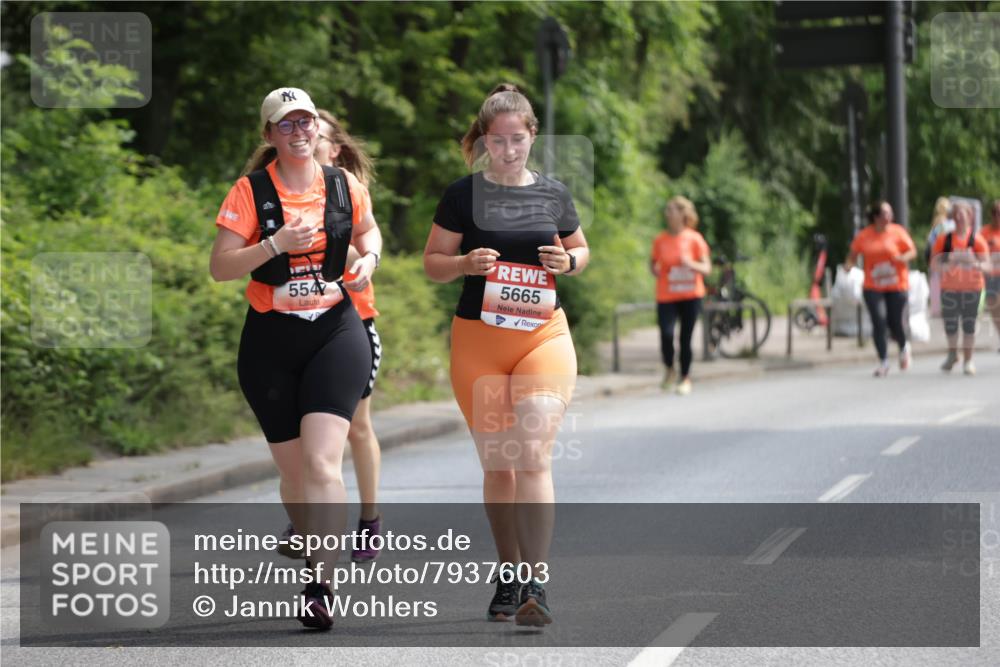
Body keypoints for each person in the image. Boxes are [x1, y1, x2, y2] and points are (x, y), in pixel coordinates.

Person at [210, 87, 382, 630]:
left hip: (336, 330)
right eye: (286, 124)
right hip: (270, 342)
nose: (300, 131)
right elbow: (221, 267)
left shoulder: (343, 184)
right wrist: (275, 244)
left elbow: (368, 231)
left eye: (306, 122)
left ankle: (321, 584)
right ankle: (312, 550)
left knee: (322, 463)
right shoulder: (249, 192)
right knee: (293, 475)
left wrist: (369, 259)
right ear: (270, 136)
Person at [423, 83, 589, 627]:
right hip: (479, 342)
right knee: (499, 468)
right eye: (498, 141)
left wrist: (569, 263)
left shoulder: (553, 193)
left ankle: (536, 584)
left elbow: (581, 247)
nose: (509, 150)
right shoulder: (462, 196)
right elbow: (432, 262)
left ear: (532, 136)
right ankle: (510, 573)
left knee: (533, 453)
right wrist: (466, 264)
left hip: (543, 337)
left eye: (518, 139)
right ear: (484, 140)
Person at [275, 108, 384, 563]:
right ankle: (311, 518)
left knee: (354, 428)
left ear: (332, 149)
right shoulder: (280, 189)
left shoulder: (343, 190)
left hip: (351, 324)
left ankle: (369, 519)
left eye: (316, 142)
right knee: (306, 438)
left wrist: (363, 259)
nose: (306, 148)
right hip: (298, 327)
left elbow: (363, 241)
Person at [844, 201, 918, 376]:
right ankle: (883, 361)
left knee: (895, 322)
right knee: (879, 321)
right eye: (885, 213)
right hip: (873, 285)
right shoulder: (864, 235)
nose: (889, 216)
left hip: (896, 284)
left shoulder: (897, 232)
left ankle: (903, 347)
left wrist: (901, 257)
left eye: (890, 213)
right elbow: (852, 256)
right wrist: (848, 266)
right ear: (876, 217)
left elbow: (912, 251)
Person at [649, 196, 711, 395]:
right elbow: (652, 263)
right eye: (667, 210)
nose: (667, 213)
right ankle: (669, 369)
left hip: (690, 295)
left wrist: (690, 264)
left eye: (671, 209)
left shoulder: (694, 239)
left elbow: (706, 268)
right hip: (666, 295)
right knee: (666, 335)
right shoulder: (660, 240)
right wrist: (655, 270)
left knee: (685, 338)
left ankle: (685, 378)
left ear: (682, 214)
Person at [931, 201, 991, 374]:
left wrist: (973, 262)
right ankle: (952, 354)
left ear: (970, 217)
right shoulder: (944, 239)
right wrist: (947, 263)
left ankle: (968, 360)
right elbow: (934, 264)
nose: (959, 218)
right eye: (956, 215)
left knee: (969, 325)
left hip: (972, 288)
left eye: (962, 215)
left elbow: (987, 266)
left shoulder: (977, 240)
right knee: (950, 325)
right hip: (949, 288)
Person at [926, 197, 954, 317]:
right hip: (945, 260)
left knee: (936, 284)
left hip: (935, 259)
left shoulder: (935, 224)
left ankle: (937, 308)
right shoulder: (948, 224)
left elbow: (930, 243)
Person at [982, 200, 1000, 353]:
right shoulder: (984, 233)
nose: (998, 216)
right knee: (995, 309)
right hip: (991, 276)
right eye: (996, 213)